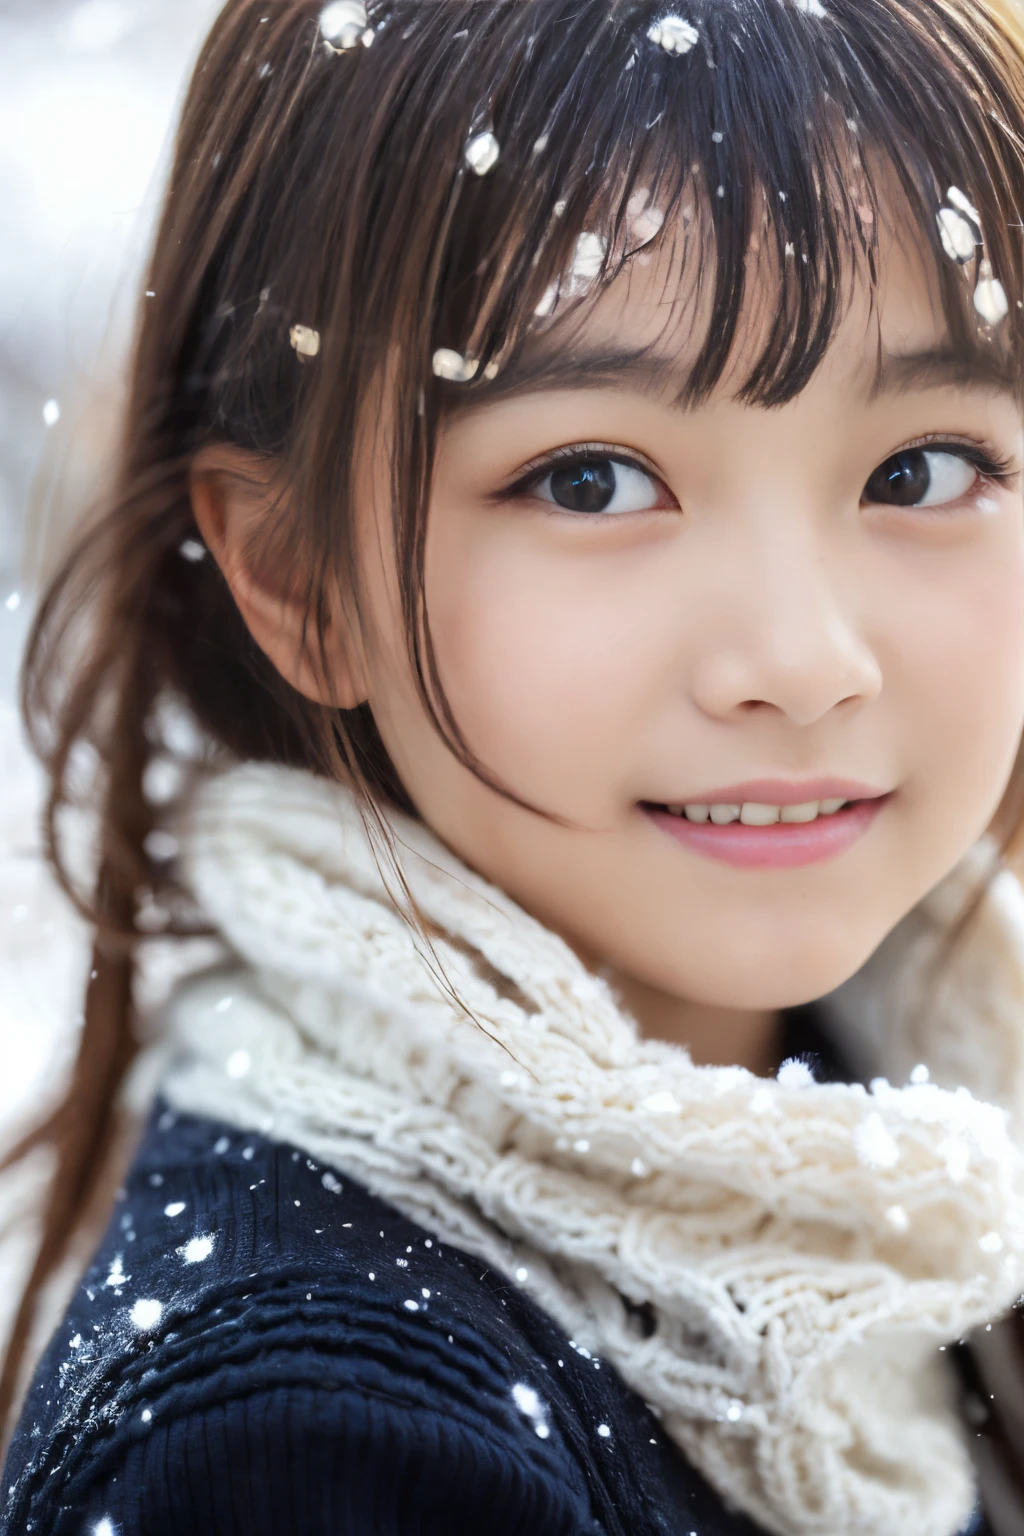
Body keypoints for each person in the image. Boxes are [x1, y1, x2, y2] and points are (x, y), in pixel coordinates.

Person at [4, 0, 1024, 1529]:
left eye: (921, 471)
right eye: (592, 480)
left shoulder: (924, 1150)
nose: (806, 660)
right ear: (301, 575)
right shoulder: (311, 1451)